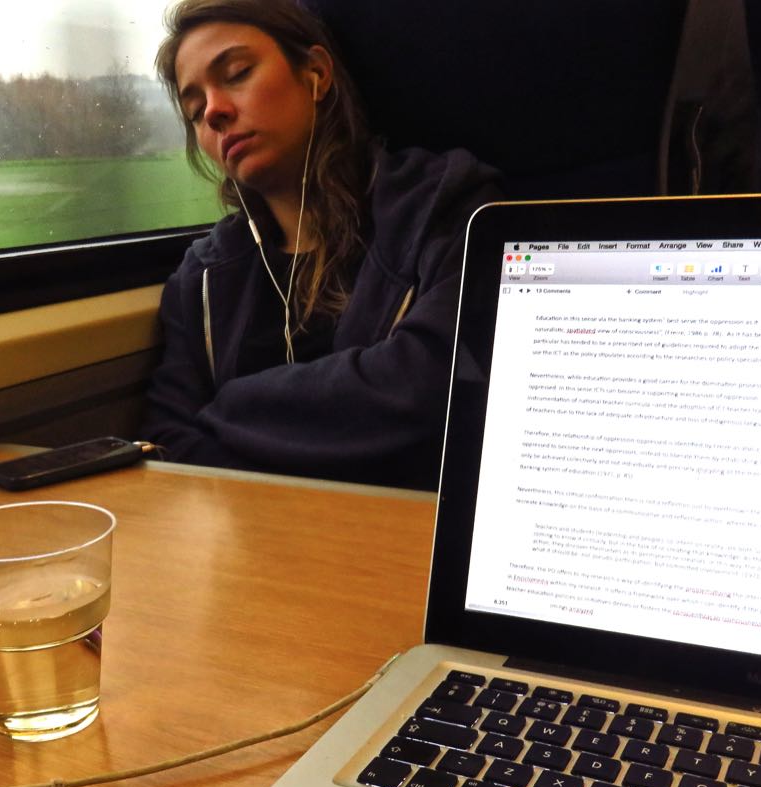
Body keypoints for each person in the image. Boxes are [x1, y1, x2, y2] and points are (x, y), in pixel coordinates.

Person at [140, 0, 503, 491]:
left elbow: (431, 383)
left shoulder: (447, 208)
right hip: (253, 529)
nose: (215, 112)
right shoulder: (201, 278)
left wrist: (226, 406)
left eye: (238, 73)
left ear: (316, 73)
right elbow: (167, 442)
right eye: (195, 110)